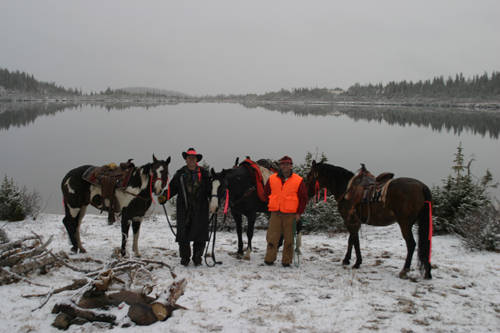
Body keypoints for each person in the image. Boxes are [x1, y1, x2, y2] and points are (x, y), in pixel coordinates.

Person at [159, 148, 212, 266]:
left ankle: (197, 257)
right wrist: (164, 196)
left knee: (200, 235)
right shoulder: (180, 174)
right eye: (189, 158)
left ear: (196, 160)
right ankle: (185, 257)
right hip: (184, 209)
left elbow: (210, 190)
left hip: (201, 208)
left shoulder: (204, 174)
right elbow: (172, 188)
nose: (191, 160)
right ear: (186, 159)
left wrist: (215, 200)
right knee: (183, 235)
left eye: (193, 158)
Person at [264, 155, 308, 267]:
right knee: (272, 238)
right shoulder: (272, 179)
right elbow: (266, 193)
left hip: (291, 215)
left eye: (287, 164)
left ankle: (286, 261)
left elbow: (303, 198)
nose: (285, 166)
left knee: (289, 240)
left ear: (291, 166)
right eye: (283, 164)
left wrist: (299, 213)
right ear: (280, 166)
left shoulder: (298, 180)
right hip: (275, 214)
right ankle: (269, 259)